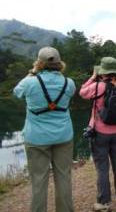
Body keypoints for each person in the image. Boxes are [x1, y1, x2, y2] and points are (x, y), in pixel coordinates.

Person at [13, 47, 76, 212]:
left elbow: (16, 92)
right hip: (63, 136)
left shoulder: (29, 82)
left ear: (39, 63)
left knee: (39, 181)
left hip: (36, 138)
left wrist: (32, 72)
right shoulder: (69, 83)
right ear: (59, 63)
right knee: (63, 177)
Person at [80, 57, 116, 211]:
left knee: (102, 167)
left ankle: (104, 203)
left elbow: (82, 92)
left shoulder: (97, 86)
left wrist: (93, 77)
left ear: (103, 71)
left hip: (100, 132)